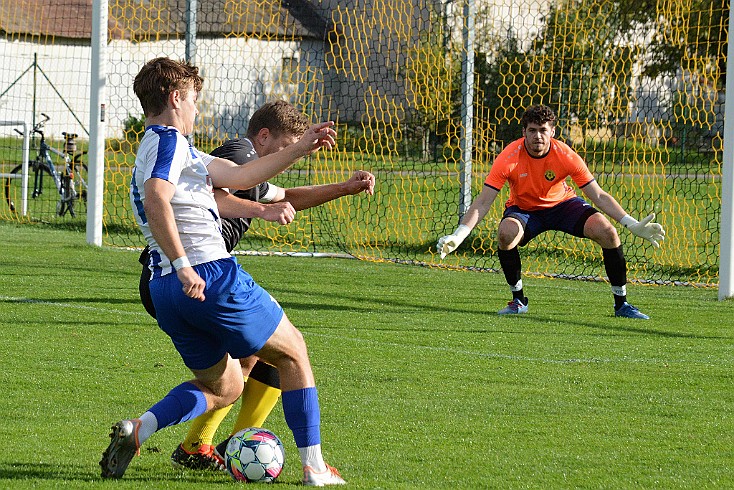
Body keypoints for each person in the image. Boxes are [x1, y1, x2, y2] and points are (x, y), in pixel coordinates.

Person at [100, 57, 346, 486]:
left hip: (166, 293)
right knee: (294, 353)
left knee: (226, 387)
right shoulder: (169, 142)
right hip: (207, 275)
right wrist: (184, 265)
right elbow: (157, 197)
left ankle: (141, 429)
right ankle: (316, 468)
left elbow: (243, 174)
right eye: (194, 100)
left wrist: (300, 147)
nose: (197, 109)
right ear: (176, 98)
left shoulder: (171, 148)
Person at [136, 100, 375, 471]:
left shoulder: (243, 162)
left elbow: (286, 196)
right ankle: (284, 458)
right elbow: (216, 197)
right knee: (284, 355)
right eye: (283, 148)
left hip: (174, 279)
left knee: (240, 371)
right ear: (263, 137)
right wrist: (261, 210)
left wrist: (343, 188)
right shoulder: (238, 151)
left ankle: (193, 443)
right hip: (198, 273)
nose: (286, 158)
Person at [437, 104, 665, 319]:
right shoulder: (508, 157)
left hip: (562, 205)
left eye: (543, 130)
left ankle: (622, 304)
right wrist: (459, 235)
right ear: (524, 132)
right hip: (525, 210)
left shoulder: (565, 156)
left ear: (553, 131)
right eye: (533, 130)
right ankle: (518, 301)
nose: (538, 136)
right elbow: (483, 202)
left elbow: (598, 195)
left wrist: (631, 223)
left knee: (608, 232)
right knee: (506, 234)